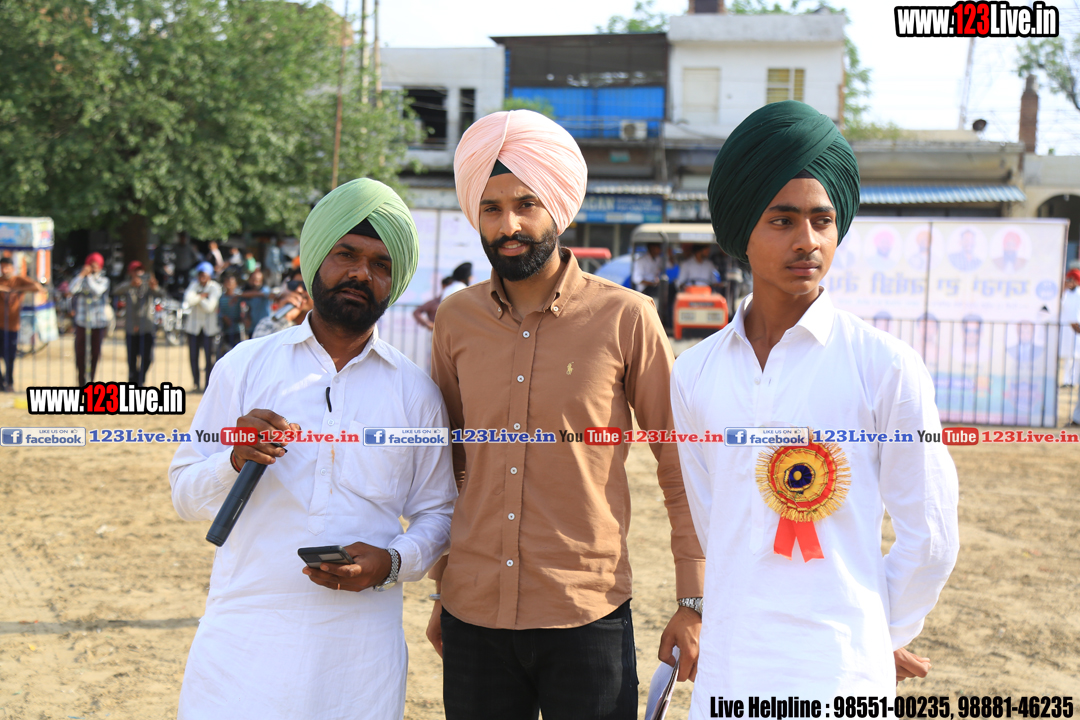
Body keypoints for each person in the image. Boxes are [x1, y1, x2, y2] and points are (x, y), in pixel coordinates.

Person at [671, 101, 960, 707]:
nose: (808, 242)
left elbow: (931, 537)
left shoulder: (885, 366)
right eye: (782, 220)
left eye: (822, 220)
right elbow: (714, 524)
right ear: (742, 229)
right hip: (730, 676)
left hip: (842, 679)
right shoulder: (695, 374)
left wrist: (878, 632)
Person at [427, 109, 705, 720]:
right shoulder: (455, 320)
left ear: (558, 205)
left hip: (587, 612)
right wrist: (446, 582)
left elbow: (678, 462)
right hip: (473, 615)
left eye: (526, 204)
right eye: (492, 208)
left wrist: (694, 598)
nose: (509, 225)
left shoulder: (627, 317)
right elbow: (450, 465)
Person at [169, 178, 456, 719]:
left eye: (381, 264)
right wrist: (234, 458)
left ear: (394, 283)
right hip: (243, 639)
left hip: (360, 653)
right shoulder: (245, 367)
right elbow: (185, 494)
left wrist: (393, 563)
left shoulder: (415, 392)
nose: (361, 273)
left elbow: (439, 512)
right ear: (316, 258)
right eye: (346, 254)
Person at [0, 256, 45, 391]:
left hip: (12, 325)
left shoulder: (18, 280)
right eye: (2, 267)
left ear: (12, 268)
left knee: (10, 357)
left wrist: (16, 290)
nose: (4, 270)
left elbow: (37, 287)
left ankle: (9, 383)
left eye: (7, 267)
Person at [113, 261, 160, 387]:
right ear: (130, 273)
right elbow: (116, 291)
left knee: (148, 358)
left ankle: (140, 379)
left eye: (140, 270)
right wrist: (130, 285)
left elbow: (161, 294)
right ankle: (133, 384)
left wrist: (154, 286)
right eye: (135, 271)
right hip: (131, 329)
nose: (139, 273)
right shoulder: (128, 286)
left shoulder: (148, 285)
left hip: (146, 328)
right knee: (131, 359)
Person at [70, 252, 111, 387]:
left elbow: (97, 291)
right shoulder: (81, 278)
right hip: (82, 322)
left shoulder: (104, 280)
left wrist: (89, 278)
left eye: (95, 265)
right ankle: (81, 382)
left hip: (98, 323)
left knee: (95, 354)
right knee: (80, 353)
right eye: (91, 265)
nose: (93, 268)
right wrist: (82, 275)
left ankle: (91, 382)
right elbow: (72, 289)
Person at [183, 262, 221, 391]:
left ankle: (207, 385)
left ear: (209, 275)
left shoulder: (215, 287)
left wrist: (198, 299)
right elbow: (188, 301)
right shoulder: (193, 285)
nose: (202, 277)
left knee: (209, 357)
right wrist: (202, 296)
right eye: (200, 275)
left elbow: (210, 307)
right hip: (193, 328)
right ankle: (196, 383)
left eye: (204, 275)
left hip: (209, 329)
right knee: (193, 357)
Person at [1058, 269, 1080, 387]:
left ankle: (1074, 381)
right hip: (1066, 328)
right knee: (1067, 356)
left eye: (1072, 279)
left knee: (1077, 357)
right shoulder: (1064, 294)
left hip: (1077, 328)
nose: (1070, 282)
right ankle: (1066, 381)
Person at [217, 274, 244, 355]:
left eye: (231, 283)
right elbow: (218, 312)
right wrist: (224, 317)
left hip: (237, 330)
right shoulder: (221, 298)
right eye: (227, 282)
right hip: (225, 331)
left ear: (236, 284)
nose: (229, 285)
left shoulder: (239, 298)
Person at [240, 267, 272, 333]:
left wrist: (241, 294)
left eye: (257, 280)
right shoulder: (247, 291)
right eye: (253, 280)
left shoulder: (265, 290)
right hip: (253, 327)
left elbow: (263, 294)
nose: (255, 283)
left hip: (265, 327)